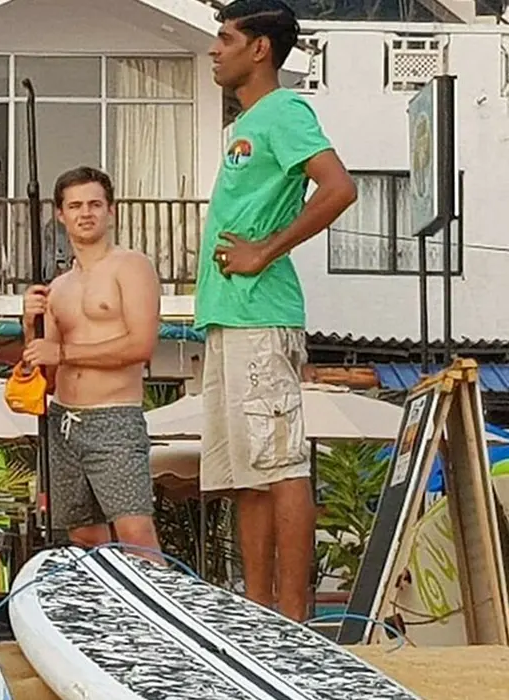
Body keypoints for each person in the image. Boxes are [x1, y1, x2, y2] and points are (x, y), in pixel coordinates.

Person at [200, 0, 357, 621]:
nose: (215, 49)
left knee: (282, 466)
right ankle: (257, 614)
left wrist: (265, 250)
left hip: (262, 316)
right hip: (229, 317)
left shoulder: (285, 110)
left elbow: (340, 186)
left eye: (225, 37)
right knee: (247, 473)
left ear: (259, 48)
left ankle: (295, 618)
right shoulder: (245, 123)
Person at [20, 166, 163, 556]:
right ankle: (114, 607)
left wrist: (62, 353)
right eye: (76, 205)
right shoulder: (59, 286)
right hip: (64, 419)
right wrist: (30, 328)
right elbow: (43, 372)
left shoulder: (131, 266)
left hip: (114, 414)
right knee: (83, 533)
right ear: (60, 214)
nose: (86, 213)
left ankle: (151, 612)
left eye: (95, 204)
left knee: (135, 531)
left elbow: (140, 345)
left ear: (110, 211)